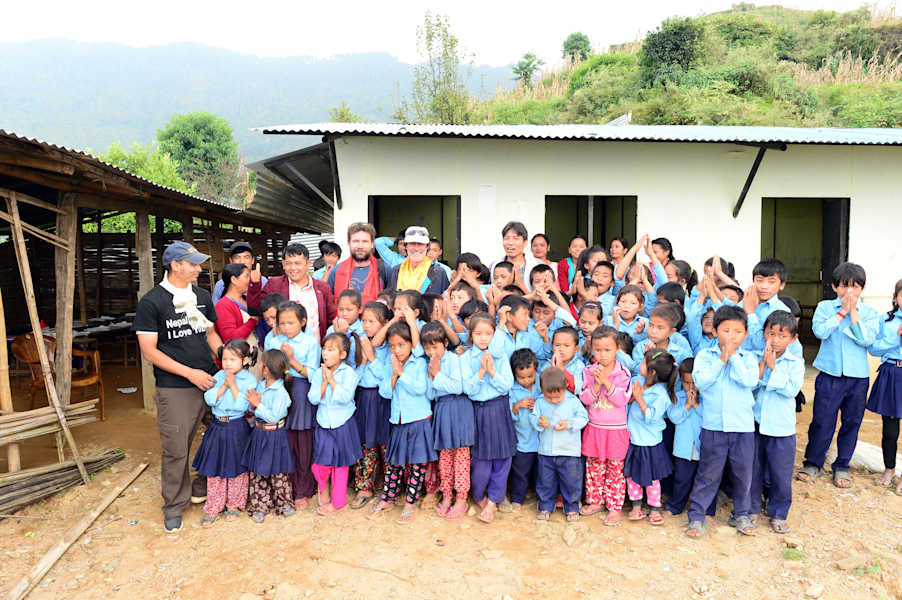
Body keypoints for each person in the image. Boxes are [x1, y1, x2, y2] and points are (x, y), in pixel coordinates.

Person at [133, 241, 222, 533]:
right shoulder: (152, 302)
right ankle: (174, 505)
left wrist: (227, 360)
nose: (198, 269)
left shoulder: (203, 296)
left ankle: (206, 484)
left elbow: (210, 333)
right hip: (175, 386)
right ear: (175, 266)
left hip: (209, 378)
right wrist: (190, 374)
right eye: (192, 264)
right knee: (176, 447)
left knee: (223, 433)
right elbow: (150, 351)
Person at [798, 263, 880, 489]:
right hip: (830, 374)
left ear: (862, 289)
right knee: (823, 421)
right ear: (835, 287)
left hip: (858, 377)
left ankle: (842, 465)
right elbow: (819, 332)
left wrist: (854, 315)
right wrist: (841, 312)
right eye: (844, 286)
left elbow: (867, 340)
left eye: (855, 287)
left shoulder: (870, 313)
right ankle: (813, 462)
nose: (849, 292)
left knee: (852, 422)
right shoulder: (825, 308)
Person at [686, 306, 760, 538]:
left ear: (745, 334)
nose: (731, 336)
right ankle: (697, 516)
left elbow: (749, 381)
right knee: (708, 472)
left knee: (743, 473)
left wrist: (734, 358)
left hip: (742, 428)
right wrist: (721, 360)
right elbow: (702, 381)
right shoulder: (705, 357)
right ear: (716, 331)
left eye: (737, 332)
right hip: (713, 427)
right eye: (726, 330)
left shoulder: (749, 358)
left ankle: (741, 513)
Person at [368, 321, 434, 523]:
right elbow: (384, 392)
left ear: (410, 345)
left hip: (418, 420)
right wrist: (394, 374)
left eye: (401, 345)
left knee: (416, 464)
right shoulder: (391, 365)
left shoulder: (419, 363)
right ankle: (389, 497)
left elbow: (420, 389)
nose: (396, 350)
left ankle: (411, 503)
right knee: (394, 462)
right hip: (398, 420)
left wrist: (402, 373)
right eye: (392, 345)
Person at [750, 311, 805, 534]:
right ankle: (751, 508)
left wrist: (774, 368)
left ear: (793, 339)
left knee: (780, 472)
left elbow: (791, 390)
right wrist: (763, 365)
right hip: (755, 422)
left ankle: (779, 512)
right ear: (763, 333)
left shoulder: (795, 363)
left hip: (781, 427)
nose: (774, 340)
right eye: (770, 333)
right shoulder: (755, 357)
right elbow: (749, 386)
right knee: (753, 468)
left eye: (782, 336)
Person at [193, 339, 257, 526]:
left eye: (233, 359)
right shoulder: (219, 376)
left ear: (245, 360)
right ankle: (214, 506)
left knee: (237, 468)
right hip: (218, 426)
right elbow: (210, 399)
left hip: (237, 426)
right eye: (225, 359)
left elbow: (242, 405)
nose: (227, 363)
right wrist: (224, 386)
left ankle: (234, 505)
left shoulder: (249, 380)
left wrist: (234, 386)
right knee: (216, 468)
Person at [265, 302, 320, 510]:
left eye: (291, 323)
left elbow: (313, 374)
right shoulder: (273, 339)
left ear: (303, 322)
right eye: (282, 323)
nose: (286, 328)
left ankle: (302, 490)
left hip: (300, 391)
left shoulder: (309, 342)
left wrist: (291, 360)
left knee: (302, 445)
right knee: (281, 441)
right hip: (277, 390)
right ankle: (282, 489)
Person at [462, 312, 516, 523]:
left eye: (488, 333)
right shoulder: (466, 358)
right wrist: (482, 373)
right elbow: (469, 389)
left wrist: (492, 371)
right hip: (478, 410)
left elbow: (507, 386)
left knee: (502, 458)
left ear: (495, 334)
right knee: (480, 460)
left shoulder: (500, 356)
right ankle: (478, 494)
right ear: (471, 335)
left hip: (499, 407)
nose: (483, 338)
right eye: (478, 334)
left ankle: (493, 500)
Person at [579, 326, 631, 526]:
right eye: (598, 350)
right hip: (595, 427)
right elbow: (585, 398)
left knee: (615, 470)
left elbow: (622, 400)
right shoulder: (588, 371)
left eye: (607, 350)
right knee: (594, 467)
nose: (602, 354)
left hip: (617, 430)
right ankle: (595, 501)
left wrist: (607, 384)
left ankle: (614, 507)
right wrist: (596, 385)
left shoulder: (623, 373)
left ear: (617, 348)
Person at [308, 332, 363, 515]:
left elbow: (345, 398)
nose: (325, 353)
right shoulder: (318, 373)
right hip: (324, 423)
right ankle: (322, 488)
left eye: (331, 350)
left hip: (343, 424)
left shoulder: (349, 374)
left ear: (342, 355)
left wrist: (331, 380)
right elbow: (313, 398)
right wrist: (323, 383)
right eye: (324, 348)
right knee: (321, 463)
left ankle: (338, 502)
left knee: (341, 465)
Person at [423, 322, 473, 521]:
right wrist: (431, 375)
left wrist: (437, 374)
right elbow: (430, 393)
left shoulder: (454, 359)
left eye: (435, 347)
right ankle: (446, 495)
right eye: (427, 348)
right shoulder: (431, 364)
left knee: (461, 456)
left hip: (459, 408)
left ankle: (461, 498)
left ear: (445, 344)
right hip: (442, 409)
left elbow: (458, 386)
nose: (431, 352)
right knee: (444, 456)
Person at [242, 350, 295, 523]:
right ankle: (260, 505)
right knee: (258, 471)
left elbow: (273, 416)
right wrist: (253, 405)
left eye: (261, 364)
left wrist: (258, 405)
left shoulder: (281, 393)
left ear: (267, 369)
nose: (259, 366)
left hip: (275, 435)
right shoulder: (260, 386)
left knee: (278, 471)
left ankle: (284, 503)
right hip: (259, 433)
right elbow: (253, 409)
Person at [624, 349, 676, 526]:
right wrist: (632, 398)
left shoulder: (660, 394)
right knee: (631, 475)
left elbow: (652, 417)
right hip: (633, 439)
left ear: (653, 372)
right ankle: (636, 506)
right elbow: (626, 401)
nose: (640, 365)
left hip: (650, 442)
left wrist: (639, 399)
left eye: (644, 363)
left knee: (652, 478)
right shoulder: (637, 381)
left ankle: (654, 508)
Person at [350, 301, 394, 508]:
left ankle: (388, 487)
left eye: (372, 321)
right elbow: (354, 377)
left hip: (383, 399)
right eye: (364, 320)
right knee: (365, 442)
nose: (366, 325)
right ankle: (364, 486)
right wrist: (365, 360)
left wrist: (373, 358)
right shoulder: (357, 343)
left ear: (384, 323)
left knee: (385, 443)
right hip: (364, 398)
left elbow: (386, 378)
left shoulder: (389, 347)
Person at [531, 367, 588, 522]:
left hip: (569, 451)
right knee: (545, 481)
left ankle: (572, 508)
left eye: (558, 397)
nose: (554, 400)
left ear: (564, 388)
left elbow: (584, 418)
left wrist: (569, 423)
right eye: (549, 397)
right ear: (542, 390)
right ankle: (545, 506)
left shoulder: (572, 401)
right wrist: (539, 422)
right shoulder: (540, 402)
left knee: (571, 481)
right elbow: (533, 416)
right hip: (546, 451)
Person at [248, 243, 336, 342]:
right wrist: (254, 285)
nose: (293, 268)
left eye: (298, 263)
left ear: (308, 264)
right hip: (283, 350)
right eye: (288, 263)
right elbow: (256, 309)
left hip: (315, 351)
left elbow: (331, 319)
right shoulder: (274, 284)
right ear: (283, 264)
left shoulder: (323, 288)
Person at [666, 358, 713, 518]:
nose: (691, 387)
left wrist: (696, 406)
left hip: (703, 446)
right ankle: (675, 506)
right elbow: (674, 418)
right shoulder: (677, 397)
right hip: (683, 448)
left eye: (694, 383)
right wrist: (686, 405)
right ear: (681, 380)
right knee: (681, 479)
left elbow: (710, 418)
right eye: (687, 383)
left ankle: (707, 510)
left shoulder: (708, 398)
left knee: (706, 479)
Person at [868, 278, 902, 496]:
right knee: (890, 429)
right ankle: (889, 469)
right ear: (896, 297)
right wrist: (897, 340)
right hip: (892, 373)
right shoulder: (885, 321)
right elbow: (873, 348)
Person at [508, 349, 541, 511]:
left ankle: (539, 497)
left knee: (540, 472)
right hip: (523, 440)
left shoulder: (541, 386)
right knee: (520, 472)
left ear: (536, 371)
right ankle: (517, 498)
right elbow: (508, 414)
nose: (526, 380)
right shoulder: (512, 390)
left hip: (541, 440)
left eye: (530, 376)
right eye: (521, 378)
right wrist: (517, 405)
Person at [328, 222, 387, 305]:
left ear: (372, 244)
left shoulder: (384, 269)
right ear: (349, 243)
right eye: (356, 241)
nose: (360, 246)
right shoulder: (336, 271)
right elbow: (330, 303)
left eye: (365, 241)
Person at [386, 226, 450, 295]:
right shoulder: (396, 271)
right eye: (412, 243)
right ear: (406, 246)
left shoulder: (438, 272)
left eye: (420, 244)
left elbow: (445, 299)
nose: (416, 248)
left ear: (427, 247)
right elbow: (391, 298)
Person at [489, 222, 542, 292]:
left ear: (525, 243)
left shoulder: (537, 265)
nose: (510, 243)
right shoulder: (494, 265)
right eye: (507, 238)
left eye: (515, 238)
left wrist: (520, 284)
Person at [214, 263, 259, 345]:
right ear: (234, 280)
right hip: (239, 355)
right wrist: (252, 321)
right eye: (247, 276)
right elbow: (230, 338)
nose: (250, 279)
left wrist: (256, 284)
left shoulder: (246, 299)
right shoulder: (223, 305)